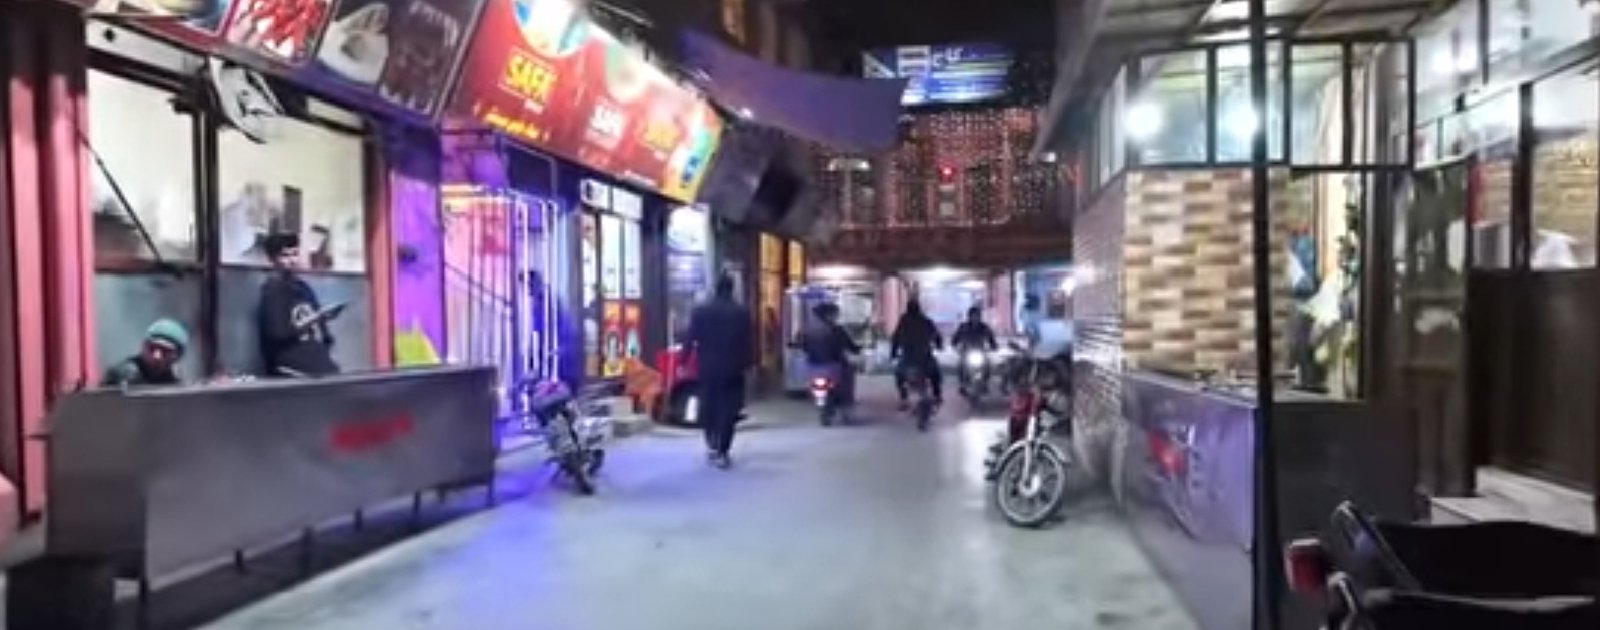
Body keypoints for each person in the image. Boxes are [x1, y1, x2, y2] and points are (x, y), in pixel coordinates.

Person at [686, 274, 752, 469]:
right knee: (729, 409)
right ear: (732, 289)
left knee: (710, 405)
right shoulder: (741, 312)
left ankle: (712, 440)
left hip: (708, 367)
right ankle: (723, 449)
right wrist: (748, 364)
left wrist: (683, 359)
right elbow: (747, 342)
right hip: (733, 369)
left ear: (715, 288)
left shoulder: (701, 311)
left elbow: (691, 337)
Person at [257, 233, 342, 377]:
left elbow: (322, 328)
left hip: (312, 353)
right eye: (285, 255)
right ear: (272, 259)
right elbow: (277, 333)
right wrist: (312, 320)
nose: (292, 260)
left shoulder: (303, 287)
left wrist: (323, 319)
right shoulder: (272, 291)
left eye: (295, 254)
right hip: (289, 359)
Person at [800, 301, 861, 407]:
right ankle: (844, 402)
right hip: (833, 363)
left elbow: (804, 346)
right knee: (846, 375)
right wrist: (857, 350)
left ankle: (823, 399)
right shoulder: (837, 329)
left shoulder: (808, 330)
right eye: (835, 314)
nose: (836, 316)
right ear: (829, 315)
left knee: (815, 382)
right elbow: (849, 344)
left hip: (813, 363)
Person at [102, 319, 189, 387]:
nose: (156, 356)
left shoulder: (175, 379)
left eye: (165, 351)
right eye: (152, 348)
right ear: (143, 347)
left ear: (177, 356)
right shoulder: (123, 376)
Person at [891, 298, 943, 406]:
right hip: (914, 357)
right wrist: (939, 345)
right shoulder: (907, 322)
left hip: (918, 357)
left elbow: (896, 338)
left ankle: (905, 398)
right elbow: (896, 338)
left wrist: (893, 353)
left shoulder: (921, 322)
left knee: (900, 374)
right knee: (900, 374)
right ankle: (936, 395)